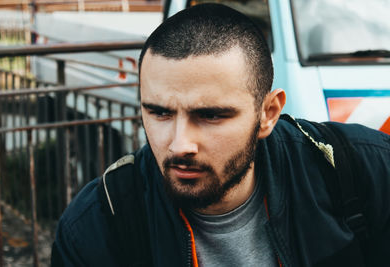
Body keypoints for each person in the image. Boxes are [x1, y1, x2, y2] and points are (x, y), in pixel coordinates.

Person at [51, 3, 390, 267]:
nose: (180, 144)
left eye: (210, 115)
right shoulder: (99, 225)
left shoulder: (364, 172)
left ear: (268, 114)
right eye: (160, 112)